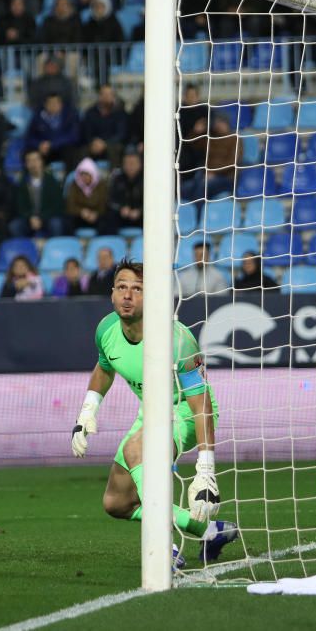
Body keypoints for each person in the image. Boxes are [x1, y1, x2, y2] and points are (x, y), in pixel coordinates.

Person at [71, 259, 237, 566]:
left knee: (137, 449)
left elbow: (201, 404)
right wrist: (87, 411)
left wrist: (206, 469)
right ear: (112, 294)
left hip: (184, 410)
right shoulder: (106, 330)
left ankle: (164, 544)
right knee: (117, 503)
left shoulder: (176, 339)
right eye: (122, 287)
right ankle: (210, 531)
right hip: (150, 411)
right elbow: (104, 368)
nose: (128, 295)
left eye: (138, 289)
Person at [9, 149, 64, 237]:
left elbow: (57, 206)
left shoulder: (52, 181)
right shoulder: (22, 183)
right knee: (15, 226)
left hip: (47, 218)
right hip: (29, 219)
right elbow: (20, 207)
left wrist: (41, 218)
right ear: (26, 164)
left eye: (36, 160)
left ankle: (54, 249)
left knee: (56, 224)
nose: (33, 163)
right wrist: (31, 217)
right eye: (29, 161)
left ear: (41, 161)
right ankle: (25, 249)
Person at [25, 93, 80, 168]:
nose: (54, 105)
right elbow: (30, 137)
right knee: (30, 153)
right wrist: (39, 144)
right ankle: (38, 178)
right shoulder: (37, 117)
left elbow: (73, 136)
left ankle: (69, 178)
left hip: (62, 148)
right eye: (50, 103)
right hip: (44, 150)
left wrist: (53, 144)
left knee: (72, 152)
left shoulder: (70, 115)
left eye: (56, 103)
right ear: (45, 104)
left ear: (61, 104)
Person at [81, 84, 128, 166]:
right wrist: (93, 142)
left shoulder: (120, 113)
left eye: (109, 94)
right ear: (99, 96)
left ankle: (115, 175)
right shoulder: (90, 112)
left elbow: (121, 134)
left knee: (115, 148)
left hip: (111, 144)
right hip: (94, 144)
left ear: (114, 97)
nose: (107, 97)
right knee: (82, 150)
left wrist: (105, 143)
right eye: (104, 94)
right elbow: (86, 132)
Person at [101, 150, 143, 233]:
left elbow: (153, 202)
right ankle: (111, 242)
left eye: (132, 163)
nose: (129, 166)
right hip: (121, 215)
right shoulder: (117, 179)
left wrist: (140, 211)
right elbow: (110, 200)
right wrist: (121, 209)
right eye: (126, 163)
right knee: (108, 217)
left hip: (140, 216)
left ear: (140, 164)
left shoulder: (146, 180)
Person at [65, 158, 108, 233]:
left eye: (87, 174)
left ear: (93, 174)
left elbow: (103, 203)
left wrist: (95, 214)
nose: (84, 177)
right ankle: (72, 243)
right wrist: (81, 212)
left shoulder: (101, 185)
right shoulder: (74, 185)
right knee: (69, 220)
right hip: (80, 216)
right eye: (82, 174)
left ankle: (101, 242)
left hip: (96, 216)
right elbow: (70, 204)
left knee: (106, 220)